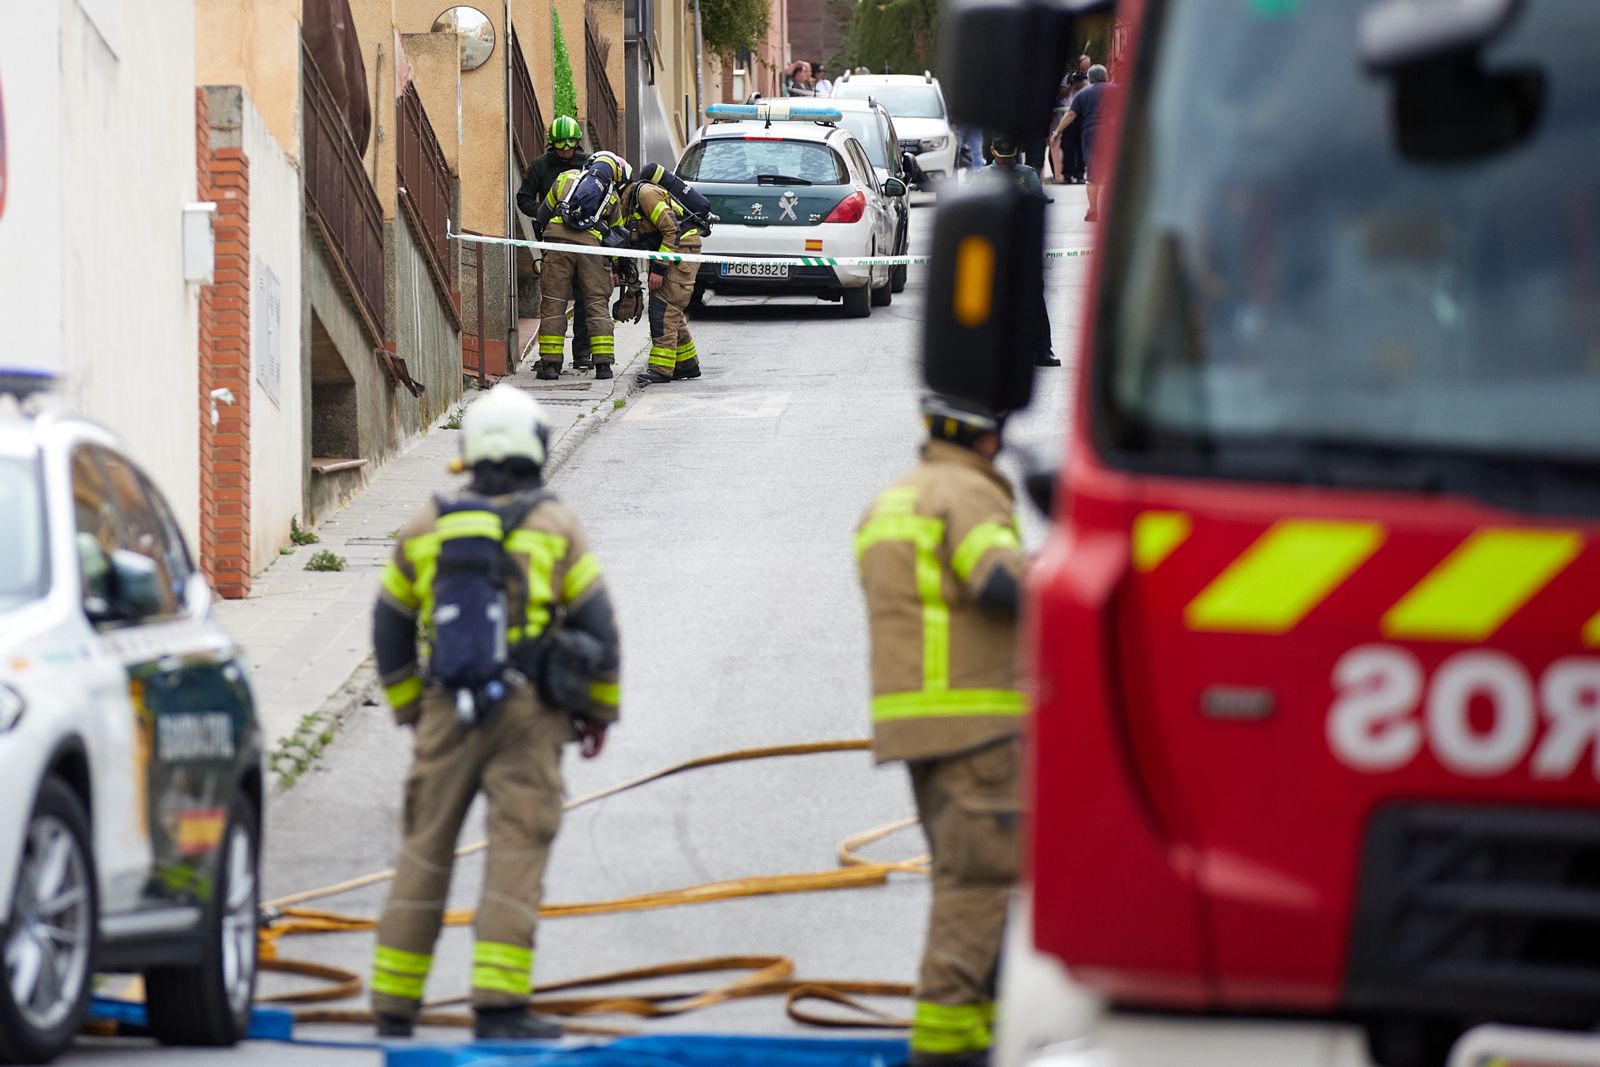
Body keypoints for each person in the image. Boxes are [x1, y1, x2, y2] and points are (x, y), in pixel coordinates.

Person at [368, 383, 622, 1041]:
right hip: (530, 712)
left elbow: (390, 626)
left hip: (444, 710)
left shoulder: (429, 523)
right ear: (535, 448)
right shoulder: (554, 524)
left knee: (424, 848)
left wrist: (409, 710)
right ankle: (500, 1007)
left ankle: (394, 1002)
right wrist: (597, 713)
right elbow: (598, 624)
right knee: (517, 846)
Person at [855, 394, 1027, 1067]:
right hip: (975, 725)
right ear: (990, 439)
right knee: (978, 885)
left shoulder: (892, 500)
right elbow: (1000, 582)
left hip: (915, 728)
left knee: (973, 876)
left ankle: (999, 1032)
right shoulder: (968, 494)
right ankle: (949, 1046)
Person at [532, 152, 630, 380]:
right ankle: (603, 365)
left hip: (557, 244)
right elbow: (617, 236)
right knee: (597, 303)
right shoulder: (611, 195)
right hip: (591, 249)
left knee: (554, 302)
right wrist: (616, 268)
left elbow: (542, 213)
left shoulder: (565, 178)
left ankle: (550, 365)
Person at [516, 116, 594, 370]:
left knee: (584, 298)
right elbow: (523, 198)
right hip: (552, 241)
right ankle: (551, 358)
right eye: (560, 147)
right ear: (552, 145)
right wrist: (542, 212)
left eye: (569, 146)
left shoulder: (588, 165)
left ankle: (582, 354)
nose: (565, 152)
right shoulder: (540, 166)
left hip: (584, 240)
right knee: (554, 299)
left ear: (577, 143)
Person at [620, 165, 707, 385]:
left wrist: (659, 268)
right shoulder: (635, 199)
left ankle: (661, 369)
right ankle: (687, 364)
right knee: (672, 311)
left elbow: (672, 230)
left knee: (663, 310)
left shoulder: (645, 194)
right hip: (678, 252)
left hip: (680, 252)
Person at [985, 137, 1060, 367]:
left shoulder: (1027, 175)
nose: (1006, 161)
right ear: (992, 152)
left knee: (1035, 297)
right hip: (994, 247)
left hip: (1023, 246)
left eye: (1009, 157)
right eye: (1001, 156)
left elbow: (1038, 205)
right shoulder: (982, 177)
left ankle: (1043, 349)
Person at [1051, 63, 1118, 222]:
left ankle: (1093, 210)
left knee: (1093, 176)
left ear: (1089, 78)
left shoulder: (1083, 94)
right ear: (1105, 76)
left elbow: (1070, 115)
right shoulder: (1115, 89)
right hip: (1112, 134)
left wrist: (1057, 132)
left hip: (1091, 135)